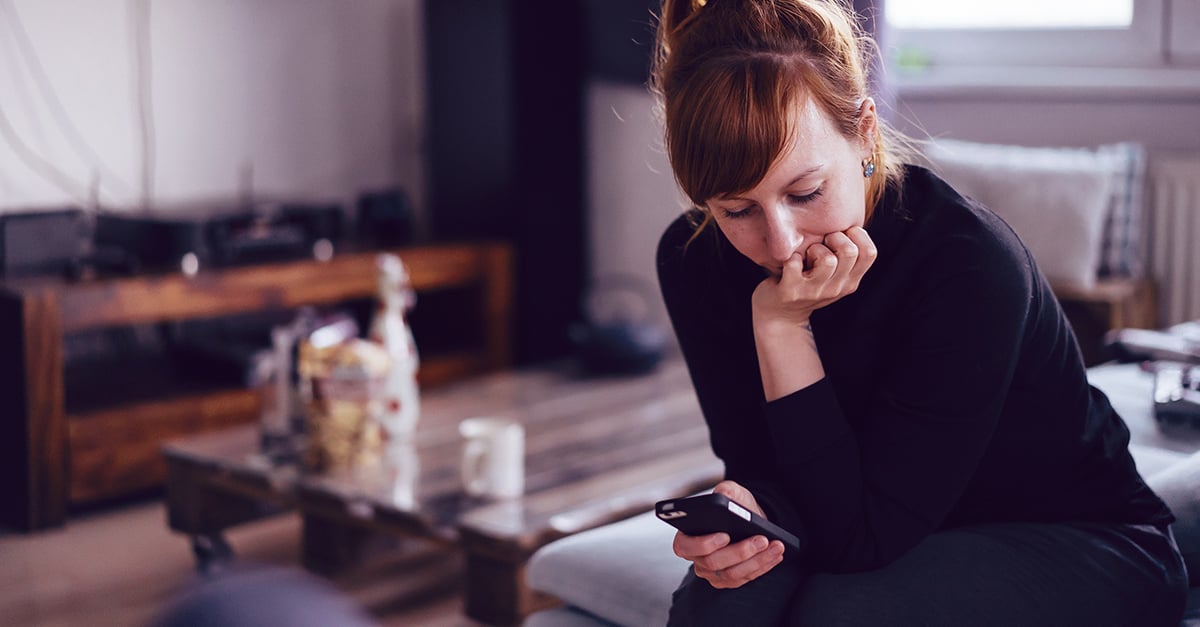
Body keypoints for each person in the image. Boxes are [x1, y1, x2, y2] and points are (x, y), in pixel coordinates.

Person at [651, 0, 1188, 625]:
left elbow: (859, 541)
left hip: (1081, 539)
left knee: (838, 613)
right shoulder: (694, 261)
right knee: (720, 604)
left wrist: (782, 327)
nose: (782, 243)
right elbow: (765, 469)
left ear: (864, 131)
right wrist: (745, 512)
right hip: (874, 520)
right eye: (736, 210)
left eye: (805, 193)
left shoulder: (969, 264)